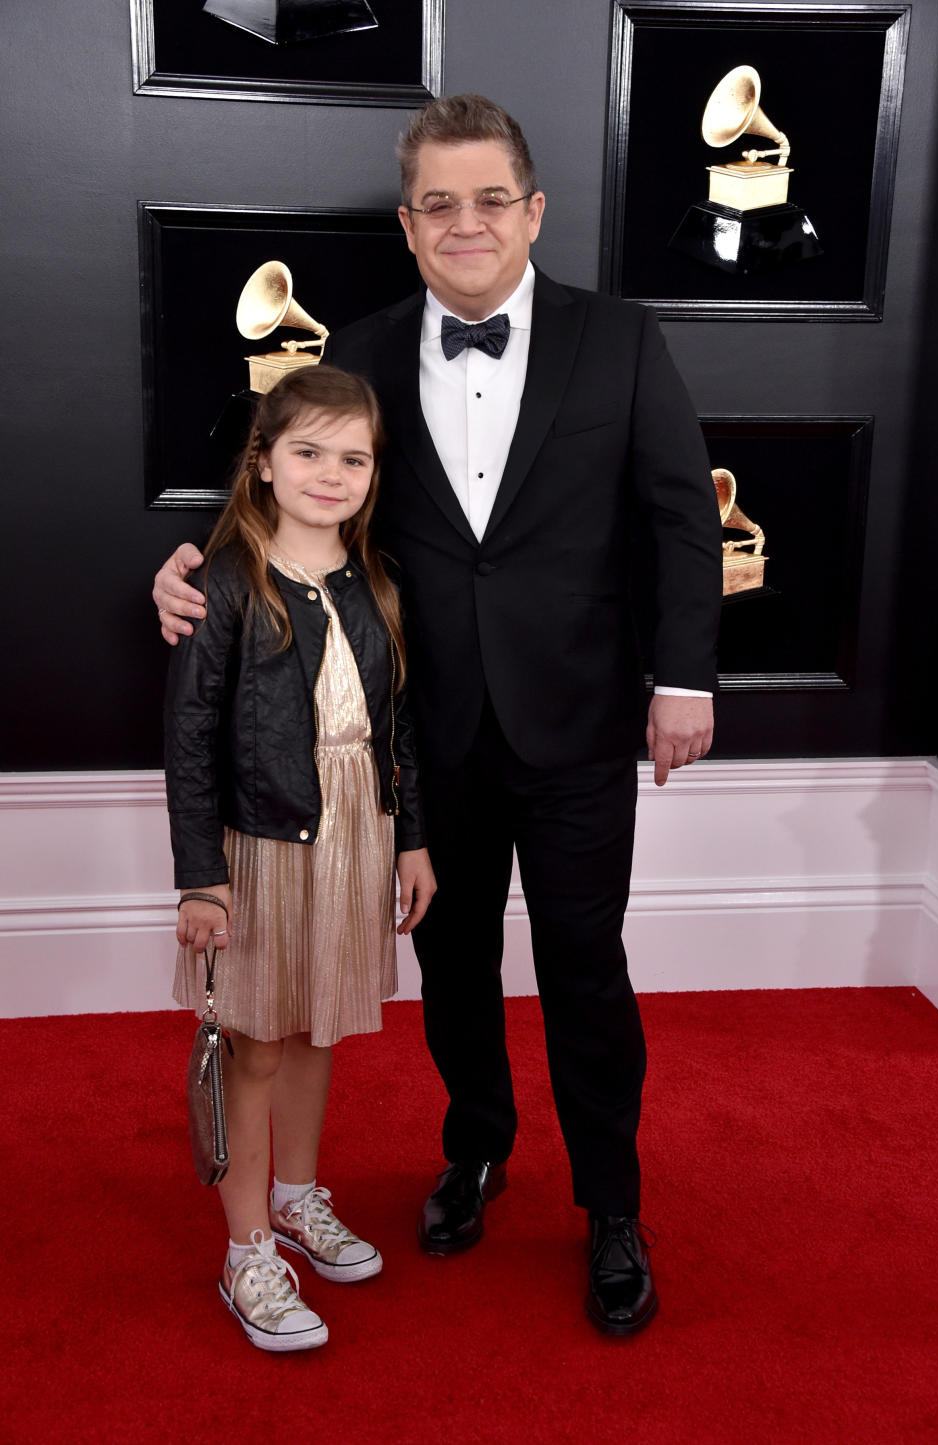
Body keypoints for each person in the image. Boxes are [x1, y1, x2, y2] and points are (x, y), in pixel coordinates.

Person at [155, 94, 721, 1337]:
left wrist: (685, 678)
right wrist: (185, 567)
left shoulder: (620, 339)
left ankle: (612, 1208)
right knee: (451, 966)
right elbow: (292, 485)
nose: (466, 223)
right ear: (410, 227)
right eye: (439, 205)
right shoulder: (355, 346)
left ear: (533, 212)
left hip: (576, 722)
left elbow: (683, 516)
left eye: (490, 200)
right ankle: (475, 1153)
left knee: (587, 969)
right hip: (423, 736)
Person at [165, 365, 435, 1352]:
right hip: (259, 843)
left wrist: (411, 838)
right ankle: (245, 1250)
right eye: (308, 451)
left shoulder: (378, 581)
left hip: (355, 834)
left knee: (320, 1026)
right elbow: (192, 736)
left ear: (374, 470)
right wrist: (202, 873)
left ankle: (294, 1196)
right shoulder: (225, 581)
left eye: (351, 456)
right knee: (259, 1039)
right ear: (266, 463)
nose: (331, 472)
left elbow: (396, 725)